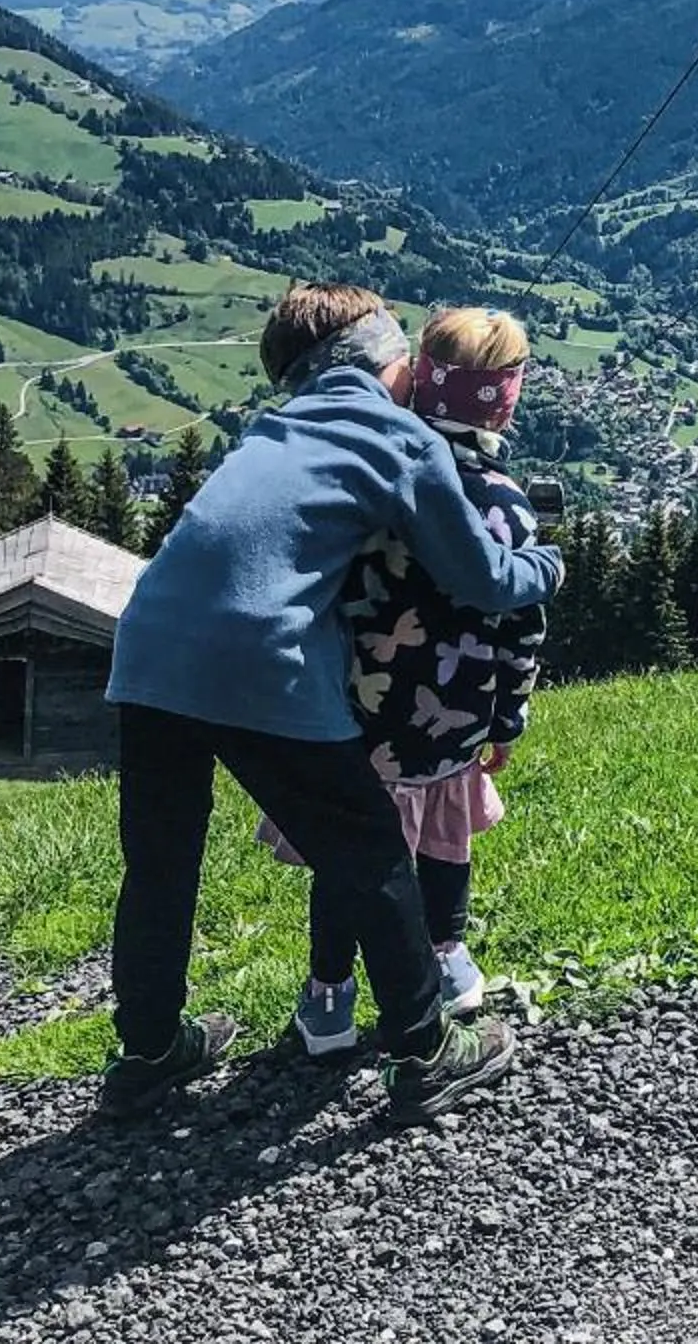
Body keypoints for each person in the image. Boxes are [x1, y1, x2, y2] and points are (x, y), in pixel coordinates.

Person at [98, 282, 563, 1127]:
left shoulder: (271, 429)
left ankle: (147, 1052)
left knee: (160, 863)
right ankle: (428, 1050)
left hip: (148, 651)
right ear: (394, 363)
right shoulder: (395, 434)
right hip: (254, 658)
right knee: (369, 849)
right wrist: (550, 568)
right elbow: (484, 578)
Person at [270, 306, 548, 1054]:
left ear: (422, 379)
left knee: (346, 856)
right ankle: (447, 962)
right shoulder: (505, 505)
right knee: (444, 842)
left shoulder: (373, 474)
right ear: (508, 397)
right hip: (453, 714)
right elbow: (520, 628)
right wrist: (506, 722)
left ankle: (328, 995)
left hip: (354, 717)